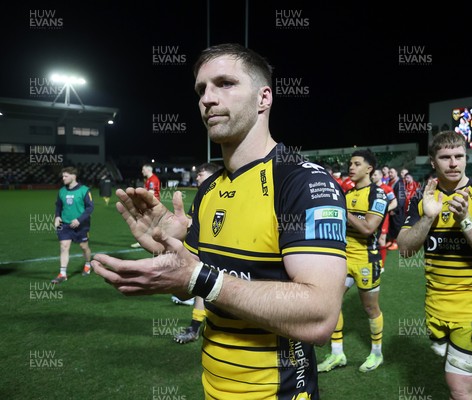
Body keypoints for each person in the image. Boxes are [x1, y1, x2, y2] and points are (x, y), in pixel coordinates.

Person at [92, 43, 347, 399]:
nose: (207, 98)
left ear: (264, 98)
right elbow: (193, 282)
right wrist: (170, 252)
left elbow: (320, 316)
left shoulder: (303, 181)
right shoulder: (211, 187)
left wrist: (197, 276)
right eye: (201, 89)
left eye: (225, 83)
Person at [397, 131, 472, 400]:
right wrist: (428, 217)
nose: (453, 163)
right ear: (433, 163)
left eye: (459, 156)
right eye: (445, 157)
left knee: (459, 389)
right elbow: (405, 249)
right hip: (435, 308)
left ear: (466, 159)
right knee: (454, 382)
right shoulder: (423, 198)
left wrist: (466, 220)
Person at [318, 150, 388, 373]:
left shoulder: (378, 195)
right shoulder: (346, 194)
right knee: (333, 302)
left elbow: (368, 228)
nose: (351, 167)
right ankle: (337, 354)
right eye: (350, 163)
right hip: (344, 259)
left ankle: (377, 354)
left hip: (367, 260)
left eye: (357, 164)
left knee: (370, 308)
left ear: (369, 169)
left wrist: (343, 211)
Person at [173, 162, 222, 343]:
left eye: (200, 174)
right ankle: (194, 328)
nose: (197, 178)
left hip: (221, 252)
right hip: (202, 250)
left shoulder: (223, 195)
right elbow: (192, 221)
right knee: (202, 284)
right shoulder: (201, 196)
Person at [51, 167, 95, 284]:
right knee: (64, 246)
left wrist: (79, 220)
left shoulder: (84, 190)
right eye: (63, 176)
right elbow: (58, 206)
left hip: (81, 225)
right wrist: (57, 216)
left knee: (84, 247)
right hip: (64, 224)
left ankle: (87, 264)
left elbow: (90, 208)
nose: (63, 178)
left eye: (65, 176)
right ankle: (63, 274)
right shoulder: (61, 191)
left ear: (73, 176)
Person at [371, 168, 397, 270]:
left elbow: (394, 203)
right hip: (371, 217)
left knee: (382, 240)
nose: (373, 176)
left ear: (381, 176)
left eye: (375, 175)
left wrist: (385, 209)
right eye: (372, 175)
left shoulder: (387, 188)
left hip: (383, 218)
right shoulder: (370, 188)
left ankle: (381, 266)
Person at [131, 164, 162, 248]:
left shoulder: (153, 180)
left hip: (152, 205)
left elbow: (150, 193)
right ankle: (146, 241)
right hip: (150, 204)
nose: (142, 171)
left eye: (143, 169)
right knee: (149, 223)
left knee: (147, 223)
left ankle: (145, 241)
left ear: (148, 170)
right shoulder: (149, 179)